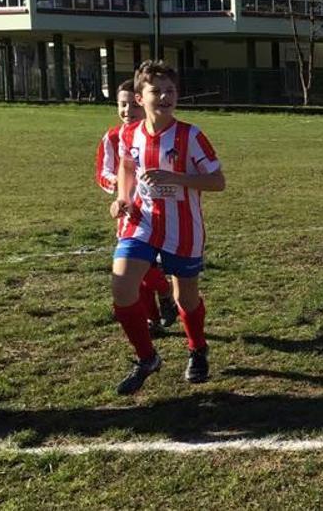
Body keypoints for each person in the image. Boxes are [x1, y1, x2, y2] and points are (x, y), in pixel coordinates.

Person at [109, 60, 226, 395]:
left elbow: (218, 181)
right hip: (141, 222)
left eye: (170, 90)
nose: (164, 96)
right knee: (122, 286)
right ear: (139, 97)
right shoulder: (129, 134)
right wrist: (122, 198)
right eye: (156, 90)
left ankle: (197, 348)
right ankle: (147, 357)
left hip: (182, 228)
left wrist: (177, 178)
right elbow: (127, 168)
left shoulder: (190, 136)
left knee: (184, 298)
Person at [95, 79, 178, 336]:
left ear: (144, 103)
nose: (127, 110)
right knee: (134, 267)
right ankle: (154, 316)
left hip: (160, 212)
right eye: (122, 105)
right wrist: (123, 194)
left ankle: (164, 295)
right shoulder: (112, 136)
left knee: (145, 268)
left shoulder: (163, 133)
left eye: (133, 104)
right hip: (129, 212)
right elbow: (103, 172)